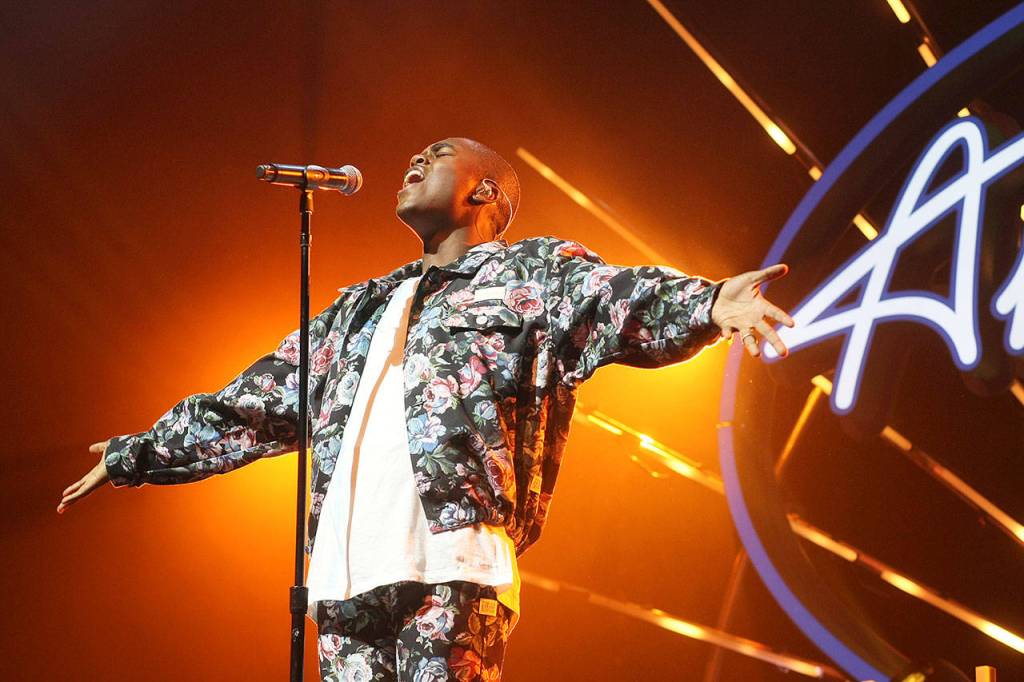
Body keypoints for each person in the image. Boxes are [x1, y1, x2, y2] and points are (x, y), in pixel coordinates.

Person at [58, 137, 794, 681]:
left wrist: (708, 302)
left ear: (486, 195)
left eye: (437, 154)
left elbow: (615, 299)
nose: (414, 160)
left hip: (451, 565)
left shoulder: (526, 274)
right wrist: (137, 454)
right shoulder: (359, 309)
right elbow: (255, 401)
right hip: (344, 577)